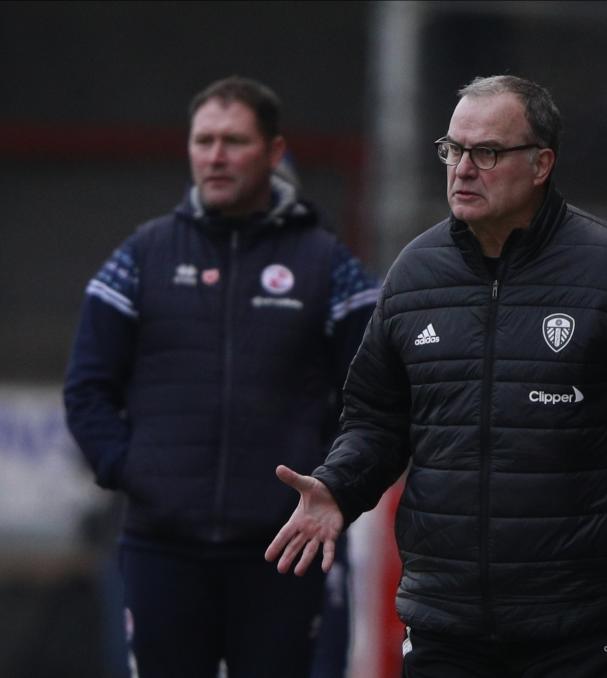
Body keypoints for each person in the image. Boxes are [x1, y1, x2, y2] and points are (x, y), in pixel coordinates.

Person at [264, 74, 607, 678]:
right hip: (444, 617)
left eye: (488, 152)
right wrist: (339, 485)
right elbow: (376, 419)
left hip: (577, 620)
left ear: (541, 164)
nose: (463, 169)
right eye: (453, 150)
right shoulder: (414, 274)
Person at [63, 76, 378, 678]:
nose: (215, 155)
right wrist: (134, 471)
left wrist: (332, 484)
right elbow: (86, 389)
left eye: (233, 140)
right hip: (163, 545)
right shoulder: (142, 256)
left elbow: (372, 401)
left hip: (287, 549)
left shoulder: (329, 266)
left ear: (274, 153)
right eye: (203, 140)